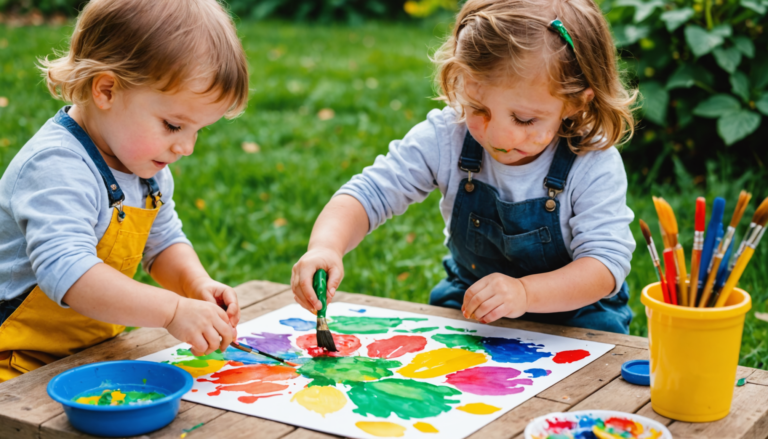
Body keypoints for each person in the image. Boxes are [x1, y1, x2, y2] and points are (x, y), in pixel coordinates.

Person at [291, 0, 637, 334]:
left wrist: (526, 294)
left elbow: (605, 265)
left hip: (577, 313)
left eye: (525, 119)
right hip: (472, 298)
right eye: (478, 108)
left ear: (576, 101)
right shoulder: (447, 137)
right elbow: (370, 193)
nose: (498, 134)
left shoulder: (592, 161)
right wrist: (326, 246)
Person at [0, 0, 249, 382]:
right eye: (172, 125)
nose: (187, 147)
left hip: (89, 355)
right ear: (106, 90)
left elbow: (163, 242)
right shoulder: (56, 165)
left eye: (198, 130)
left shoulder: (145, 167)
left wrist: (195, 284)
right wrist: (170, 311)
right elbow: (68, 273)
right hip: (13, 364)